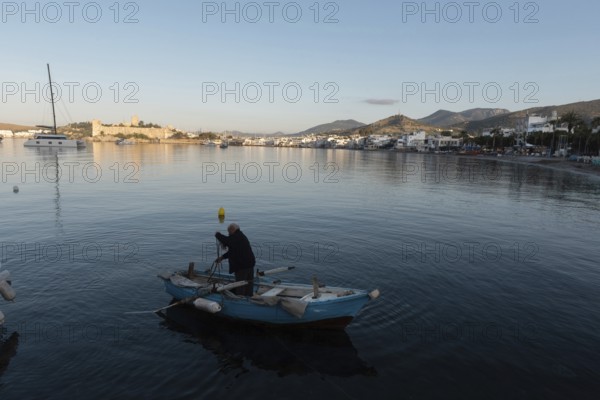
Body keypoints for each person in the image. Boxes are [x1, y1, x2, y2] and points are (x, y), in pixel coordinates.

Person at [215, 223, 256, 296]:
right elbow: (233, 251)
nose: (228, 233)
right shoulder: (240, 236)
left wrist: (218, 234)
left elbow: (227, 241)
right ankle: (249, 296)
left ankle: (240, 299)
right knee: (249, 282)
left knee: (240, 284)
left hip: (242, 266)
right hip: (250, 263)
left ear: (232, 229)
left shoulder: (236, 236)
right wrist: (222, 257)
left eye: (229, 231)